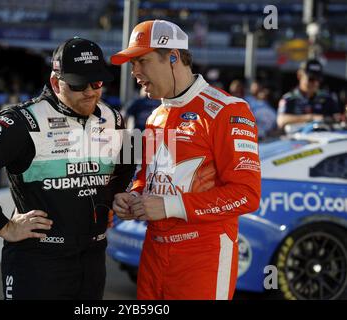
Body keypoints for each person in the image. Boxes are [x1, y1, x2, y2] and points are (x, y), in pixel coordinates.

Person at [0, 37, 135, 300]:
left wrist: (114, 197)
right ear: (56, 82)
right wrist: (2, 225)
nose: (90, 91)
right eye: (79, 83)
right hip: (38, 263)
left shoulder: (113, 119)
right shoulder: (22, 121)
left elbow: (127, 165)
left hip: (92, 259)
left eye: (97, 82)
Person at [110, 20, 261, 300]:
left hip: (203, 256)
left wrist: (170, 205)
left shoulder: (227, 111)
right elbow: (148, 178)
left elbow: (247, 195)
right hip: (154, 252)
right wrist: (133, 196)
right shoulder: (156, 116)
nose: (135, 72)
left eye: (141, 61)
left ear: (173, 57)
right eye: (132, 64)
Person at [277, 59, 342, 130]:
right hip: (297, 138)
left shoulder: (327, 98)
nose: (315, 83)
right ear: (299, 75)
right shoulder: (290, 98)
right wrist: (311, 117)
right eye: (311, 79)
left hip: (326, 138)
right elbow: (281, 120)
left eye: (318, 79)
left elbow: (338, 117)